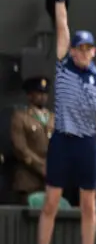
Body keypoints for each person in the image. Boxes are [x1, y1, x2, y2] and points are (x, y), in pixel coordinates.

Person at [31, 0, 96, 244]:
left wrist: (93, 128)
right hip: (62, 142)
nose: (81, 52)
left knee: (88, 203)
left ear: (93, 51)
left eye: (87, 48)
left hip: (85, 143)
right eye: (78, 48)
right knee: (51, 201)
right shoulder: (63, 64)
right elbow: (62, 22)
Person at [9, 76, 54, 204]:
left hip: (51, 179)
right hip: (28, 180)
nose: (43, 96)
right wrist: (41, 166)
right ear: (30, 96)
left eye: (45, 93)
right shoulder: (21, 117)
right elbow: (20, 148)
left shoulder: (53, 118)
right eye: (39, 93)